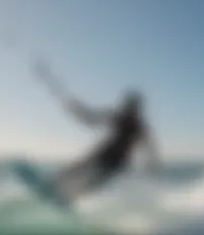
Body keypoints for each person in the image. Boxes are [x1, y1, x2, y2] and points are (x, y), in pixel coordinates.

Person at [34, 62, 160, 199]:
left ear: (137, 108)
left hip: (118, 163)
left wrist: (151, 165)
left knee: (91, 184)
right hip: (104, 151)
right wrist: (76, 108)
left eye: (132, 107)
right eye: (127, 106)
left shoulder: (140, 127)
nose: (128, 109)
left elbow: (149, 147)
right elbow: (91, 118)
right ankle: (52, 184)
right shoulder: (117, 116)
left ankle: (69, 198)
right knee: (78, 168)